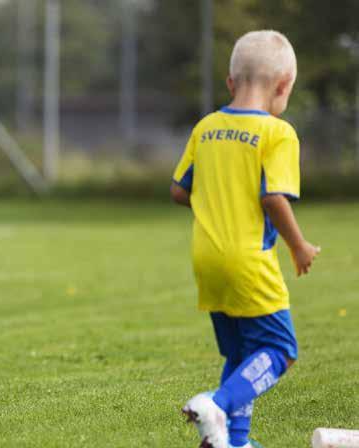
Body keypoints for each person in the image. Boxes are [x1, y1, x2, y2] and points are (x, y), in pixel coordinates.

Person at [171, 30, 320, 448]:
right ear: (284, 85)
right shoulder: (278, 133)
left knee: (240, 355)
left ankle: (233, 442)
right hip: (248, 259)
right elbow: (272, 196)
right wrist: (298, 246)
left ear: (230, 82)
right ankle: (217, 404)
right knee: (279, 348)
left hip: (206, 259)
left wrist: (217, 206)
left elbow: (180, 190)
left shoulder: (207, 127)